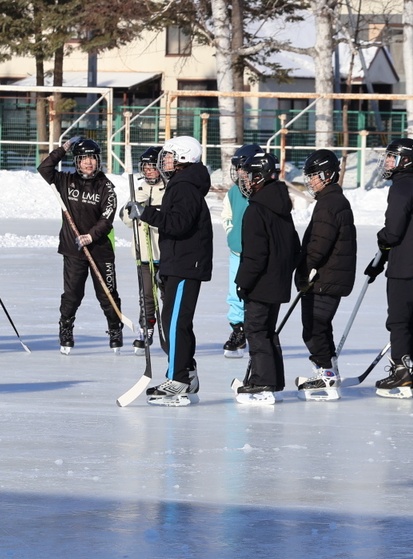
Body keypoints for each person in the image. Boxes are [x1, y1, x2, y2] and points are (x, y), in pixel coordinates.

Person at [126, 135, 213, 406]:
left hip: (186, 265)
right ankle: (186, 373)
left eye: (169, 156)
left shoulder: (185, 186)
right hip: (179, 263)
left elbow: (178, 223)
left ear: (183, 157)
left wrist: (146, 213)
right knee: (174, 321)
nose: (164, 160)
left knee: (175, 323)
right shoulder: (183, 183)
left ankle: (178, 379)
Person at [365, 137, 413, 399]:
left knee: (398, 322)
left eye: (391, 158)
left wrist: (381, 238)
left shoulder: (401, 188)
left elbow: (393, 232)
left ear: (405, 161)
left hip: (404, 270)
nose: (386, 162)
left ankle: (402, 373)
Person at [39, 137, 123, 354]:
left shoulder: (106, 187)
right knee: (72, 294)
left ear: (98, 161)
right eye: (83, 159)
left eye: (92, 158)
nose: (88, 163)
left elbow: (107, 218)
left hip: (100, 251)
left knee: (107, 294)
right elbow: (44, 168)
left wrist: (90, 236)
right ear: (76, 161)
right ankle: (66, 328)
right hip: (73, 250)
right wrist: (63, 149)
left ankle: (115, 328)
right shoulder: (65, 180)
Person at [231, 149, 298, 404]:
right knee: (268, 332)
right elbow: (294, 247)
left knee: (257, 332)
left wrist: (243, 283)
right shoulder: (281, 205)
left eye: (249, 176)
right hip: (276, 282)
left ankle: (262, 382)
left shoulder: (257, 210)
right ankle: (272, 380)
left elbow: (255, 255)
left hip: (260, 284)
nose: (245, 181)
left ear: (259, 177)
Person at [294, 149, 357, 400]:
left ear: (327, 175)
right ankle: (329, 370)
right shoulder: (332, 200)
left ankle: (325, 373)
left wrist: (305, 270)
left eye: (314, 176)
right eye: (309, 176)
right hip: (330, 276)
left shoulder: (329, 203)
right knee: (320, 325)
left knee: (313, 327)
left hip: (325, 277)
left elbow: (319, 243)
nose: (310, 181)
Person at [118, 146, 165, 352]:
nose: (149, 172)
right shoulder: (138, 191)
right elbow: (127, 221)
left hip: (165, 254)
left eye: (153, 168)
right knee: (146, 295)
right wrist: (131, 210)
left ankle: (169, 328)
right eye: (146, 168)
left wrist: (150, 213)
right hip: (144, 254)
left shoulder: (170, 190)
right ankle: (146, 327)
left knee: (167, 295)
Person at [221, 147, 257, 358]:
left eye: (244, 168)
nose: (240, 172)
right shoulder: (234, 192)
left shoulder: (261, 190)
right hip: (237, 253)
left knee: (256, 294)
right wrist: (231, 232)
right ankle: (238, 331)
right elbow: (227, 215)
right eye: (238, 168)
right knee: (235, 293)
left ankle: (257, 332)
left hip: (257, 255)